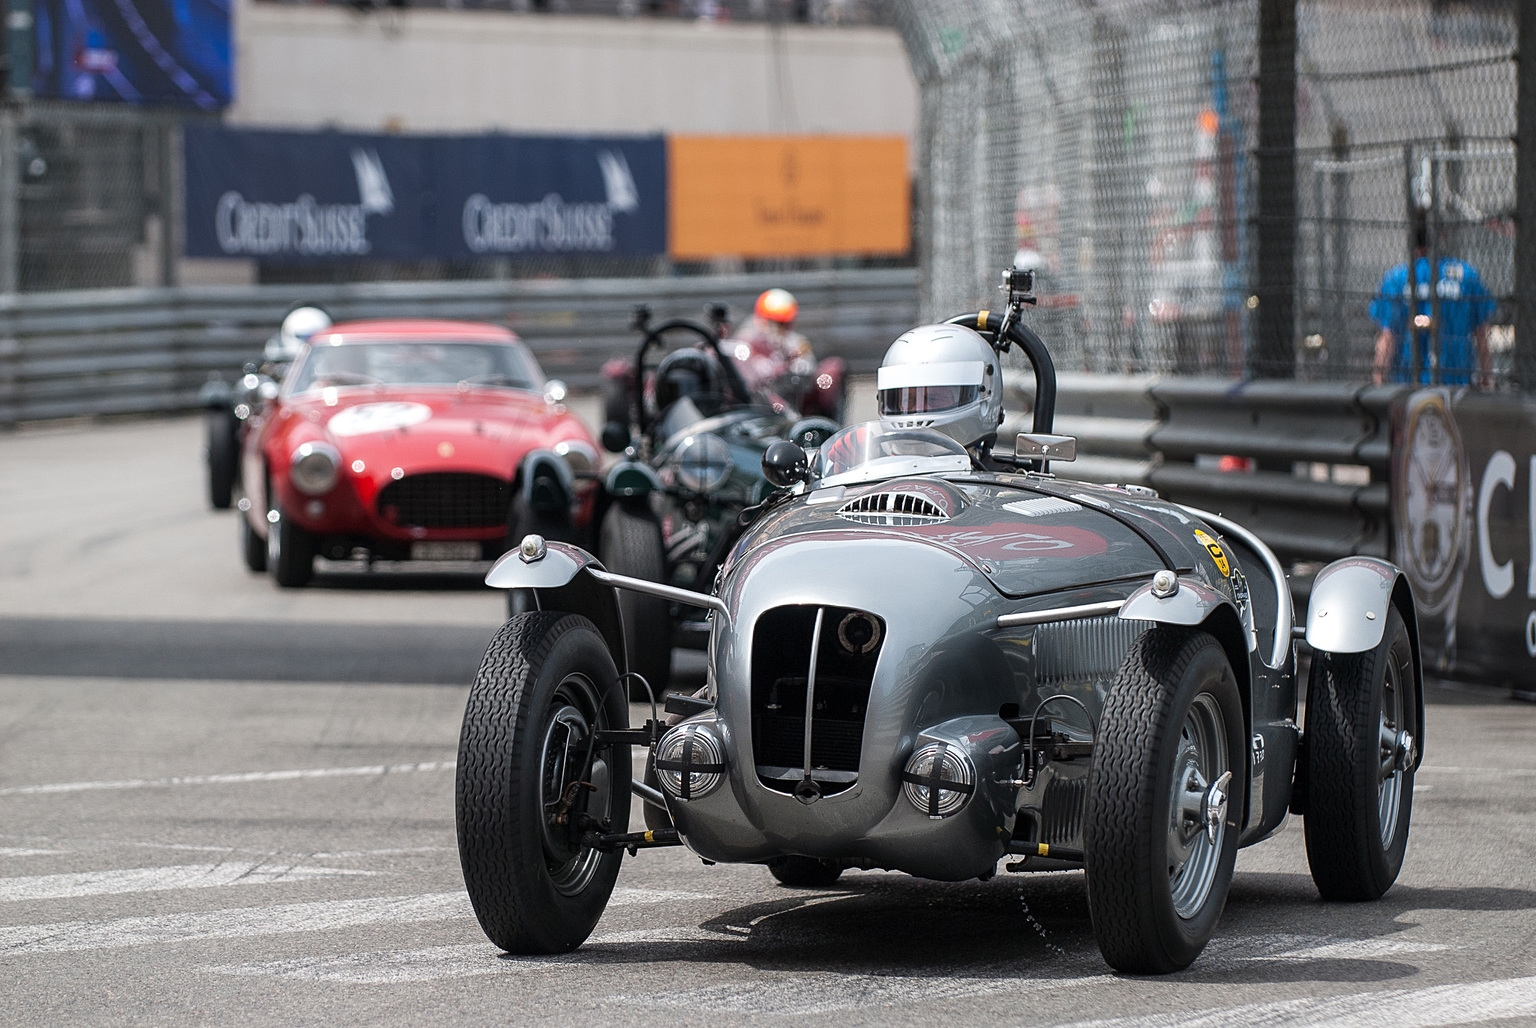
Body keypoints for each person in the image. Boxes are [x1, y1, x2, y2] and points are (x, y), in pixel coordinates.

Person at [1371, 210, 1495, 387]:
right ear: (1442, 236)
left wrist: (1379, 379)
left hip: (1409, 383)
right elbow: (1481, 333)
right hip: (1456, 382)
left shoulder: (1398, 278)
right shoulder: (1466, 276)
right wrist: (1486, 376)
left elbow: (1388, 336)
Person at [875, 322, 1003, 460]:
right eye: (907, 400)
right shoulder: (873, 473)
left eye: (933, 399)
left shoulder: (1005, 479)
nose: (917, 410)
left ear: (985, 393)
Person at [731, 288, 814, 365]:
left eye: (782, 324)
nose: (777, 329)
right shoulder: (748, 338)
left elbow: (805, 370)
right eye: (773, 323)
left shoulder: (797, 344)